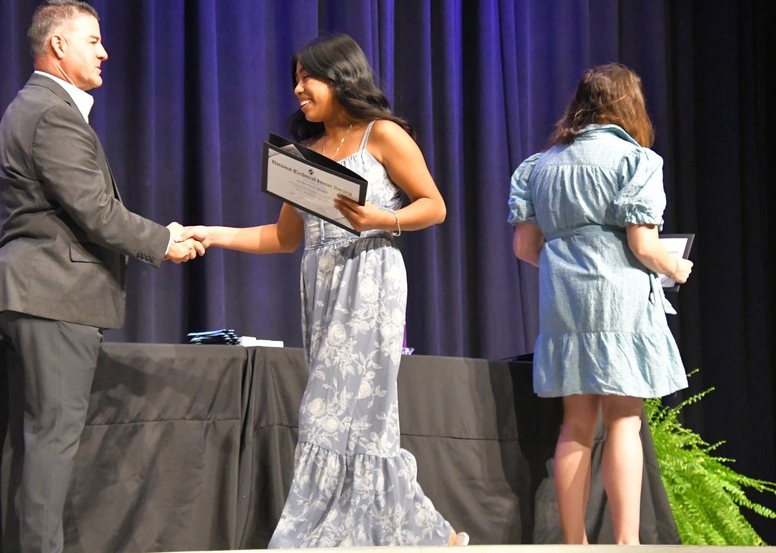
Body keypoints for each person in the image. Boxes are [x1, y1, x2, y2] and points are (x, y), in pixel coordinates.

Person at [183, 33, 468, 547]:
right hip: (324, 286)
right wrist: (215, 234)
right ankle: (428, 531)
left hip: (371, 280)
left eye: (307, 77)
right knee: (355, 419)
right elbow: (283, 237)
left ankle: (311, 535)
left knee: (330, 412)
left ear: (340, 78)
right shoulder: (306, 154)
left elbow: (434, 205)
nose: (298, 89)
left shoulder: (382, 135)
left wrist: (381, 219)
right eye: (295, 79)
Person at [0, 0, 204, 553]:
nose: (105, 52)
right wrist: (164, 242)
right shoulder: (51, 112)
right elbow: (96, 211)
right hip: (53, 293)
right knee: (50, 441)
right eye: (93, 41)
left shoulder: (34, 107)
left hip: (35, 292)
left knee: (35, 442)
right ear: (58, 45)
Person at [507, 63, 693, 545]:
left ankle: (575, 543)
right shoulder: (636, 161)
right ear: (630, 106)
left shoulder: (539, 166)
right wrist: (676, 267)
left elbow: (525, 248)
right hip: (620, 305)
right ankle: (627, 544)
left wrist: (567, 265)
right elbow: (644, 245)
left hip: (564, 305)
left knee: (575, 424)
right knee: (624, 420)